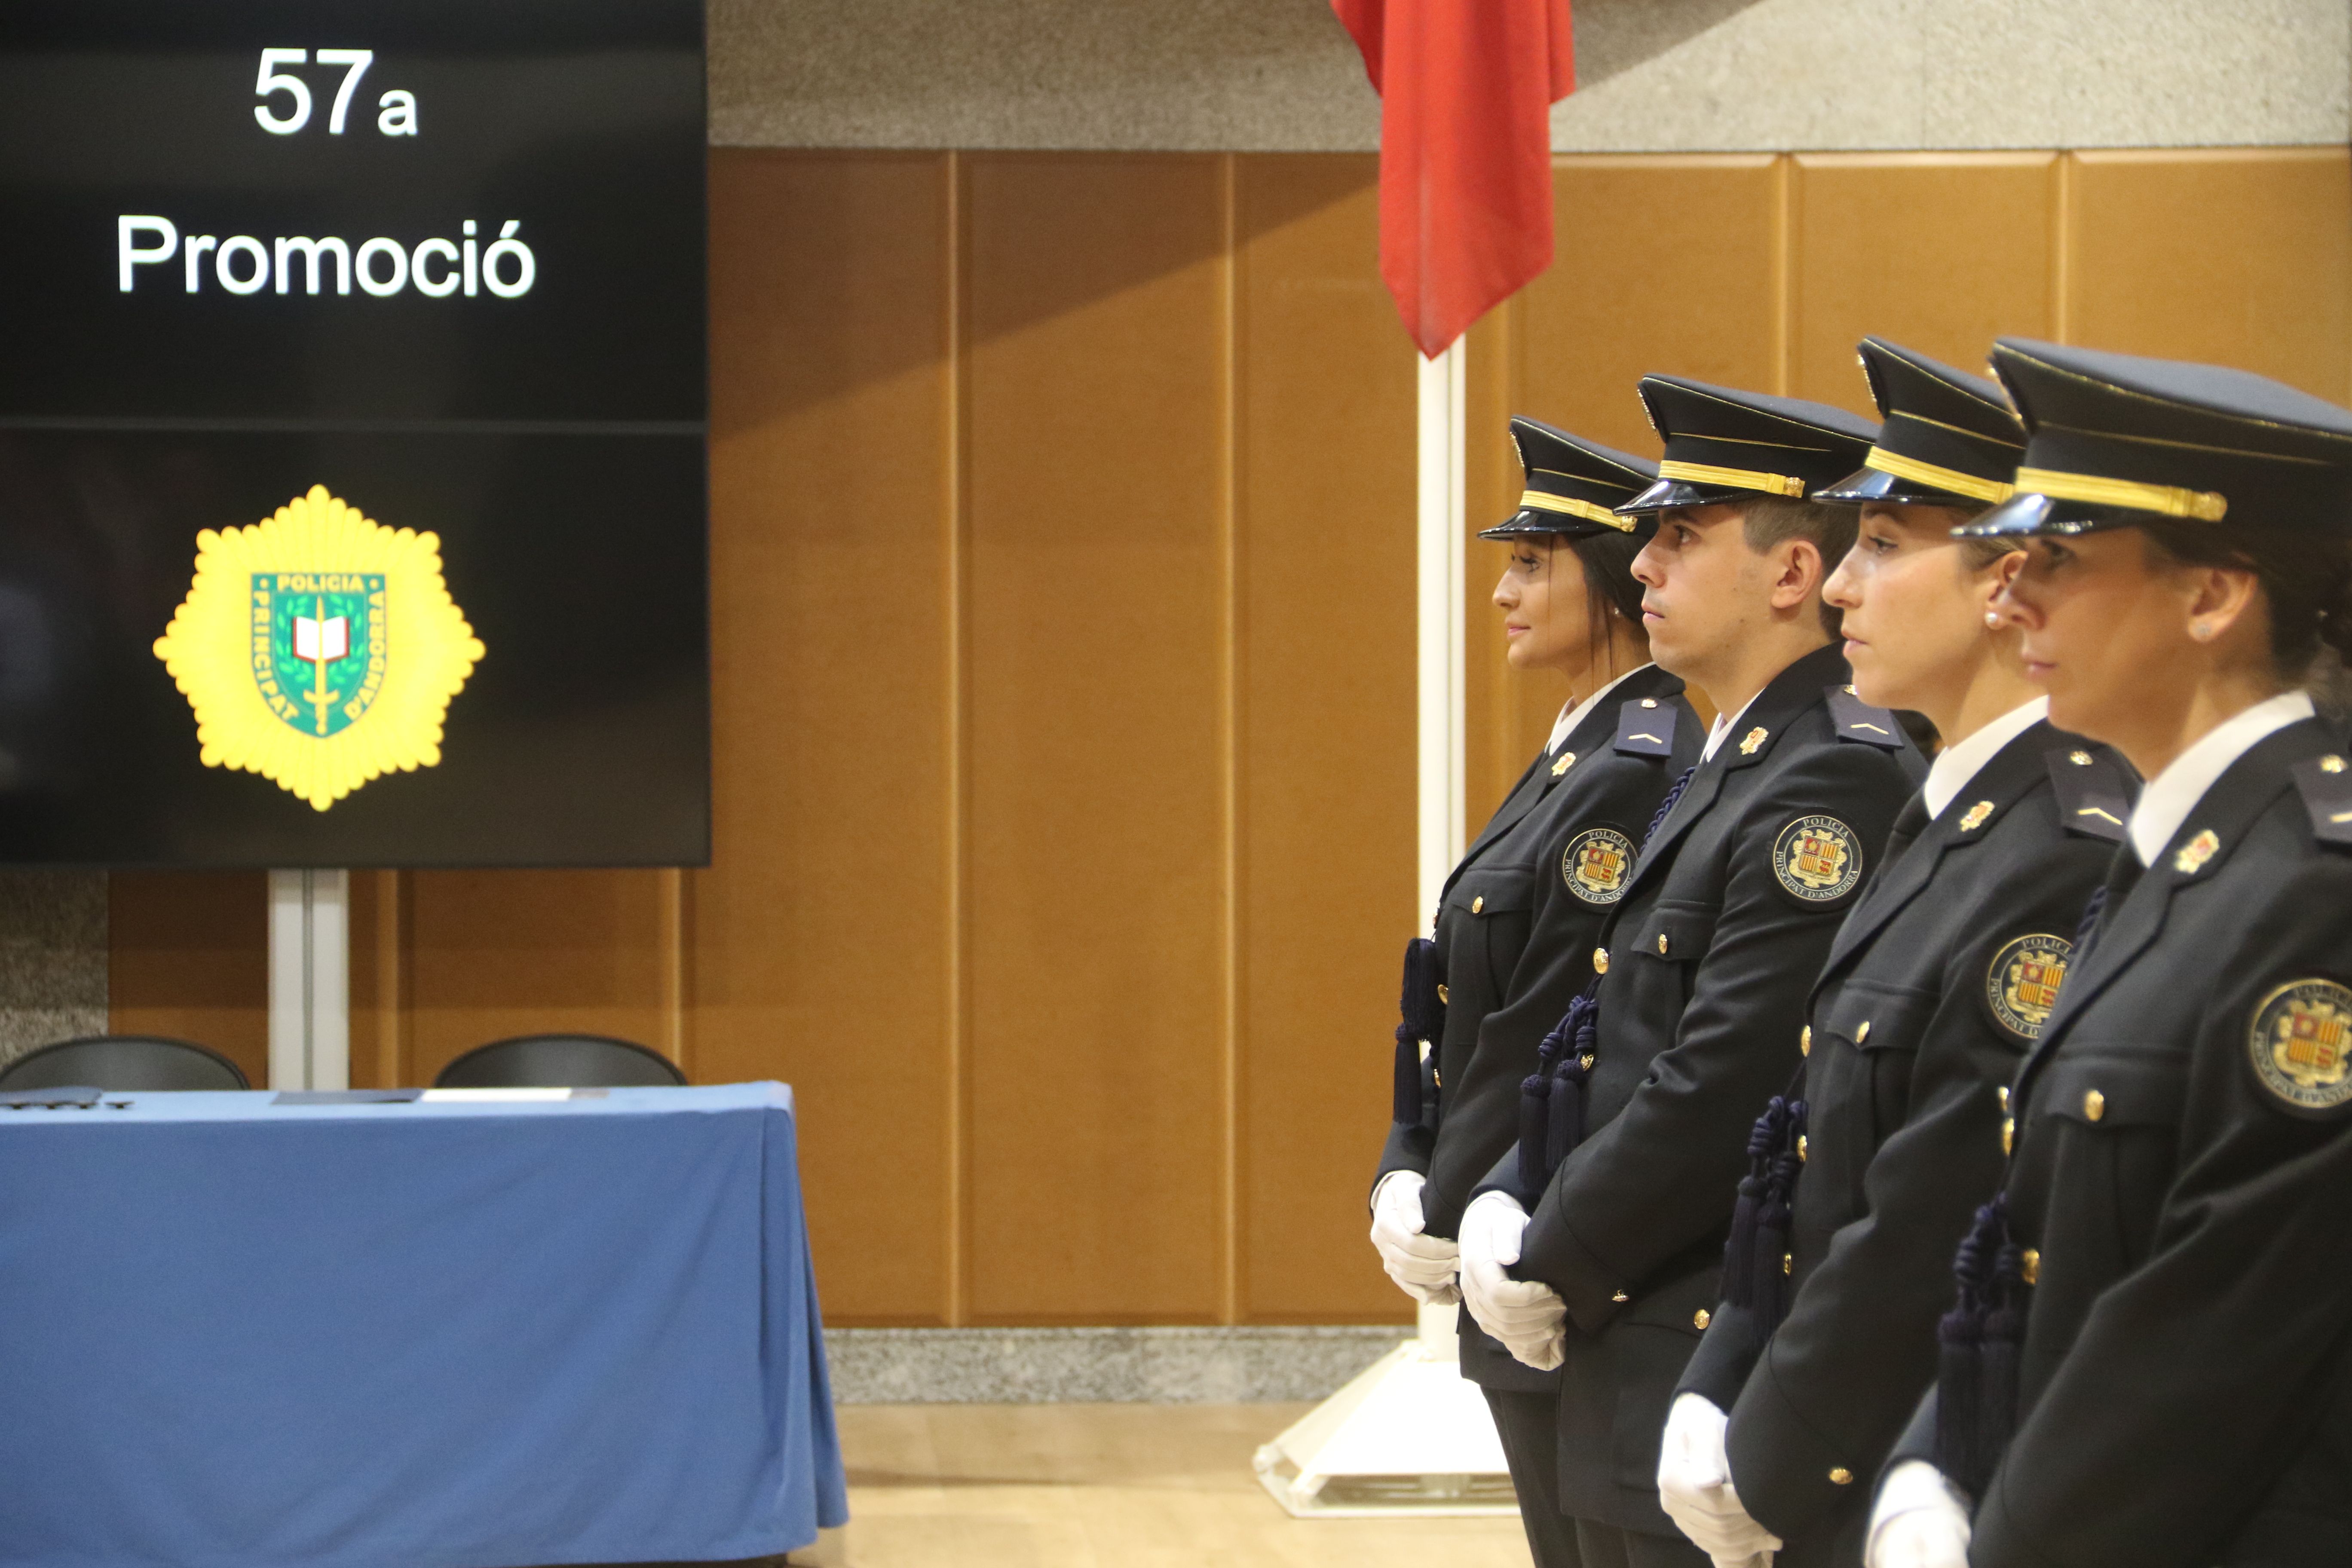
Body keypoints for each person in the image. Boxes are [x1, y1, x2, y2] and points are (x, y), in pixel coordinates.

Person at [1865, 340, 2352, 1568]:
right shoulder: (2177, 854)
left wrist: (2001, 1541)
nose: (2009, 600)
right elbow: (2033, 1238)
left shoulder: (2316, 890)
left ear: (2211, 597)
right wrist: (1934, 1460)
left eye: (2063, 561)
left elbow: (2219, 1326)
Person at [1652, 338, 2133, 1568]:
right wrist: (1720, 1376)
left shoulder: (2057, 848)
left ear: (2002, 584)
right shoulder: (1943, 811)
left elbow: (1932, 1208)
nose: (1841, 589)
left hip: (1904, 1455)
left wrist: (1774, 1445)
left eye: (1880, 545)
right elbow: (1801, 1144)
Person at [1458, 376, 1925, 1568]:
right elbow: (1603, 1025)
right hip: (1629, 1321)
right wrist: (1508, 1191)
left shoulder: (1830, 772)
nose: (1642, 566)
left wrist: (1552, 1250)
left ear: (1790, 573)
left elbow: (1726, 1074)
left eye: (1679, 538)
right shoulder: (1734, 757)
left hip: (1688, 1315)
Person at [1371, 416, 1702, 1568]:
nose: (1503, 593)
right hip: (1508, 1213)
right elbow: (1462, 1002)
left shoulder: (1637, 764)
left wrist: (1451, 1195)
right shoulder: (1583, 747)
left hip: (1552, 1236)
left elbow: (1553, 1023)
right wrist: (1406, 1161)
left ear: (1609, 579)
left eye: (1530, 564)